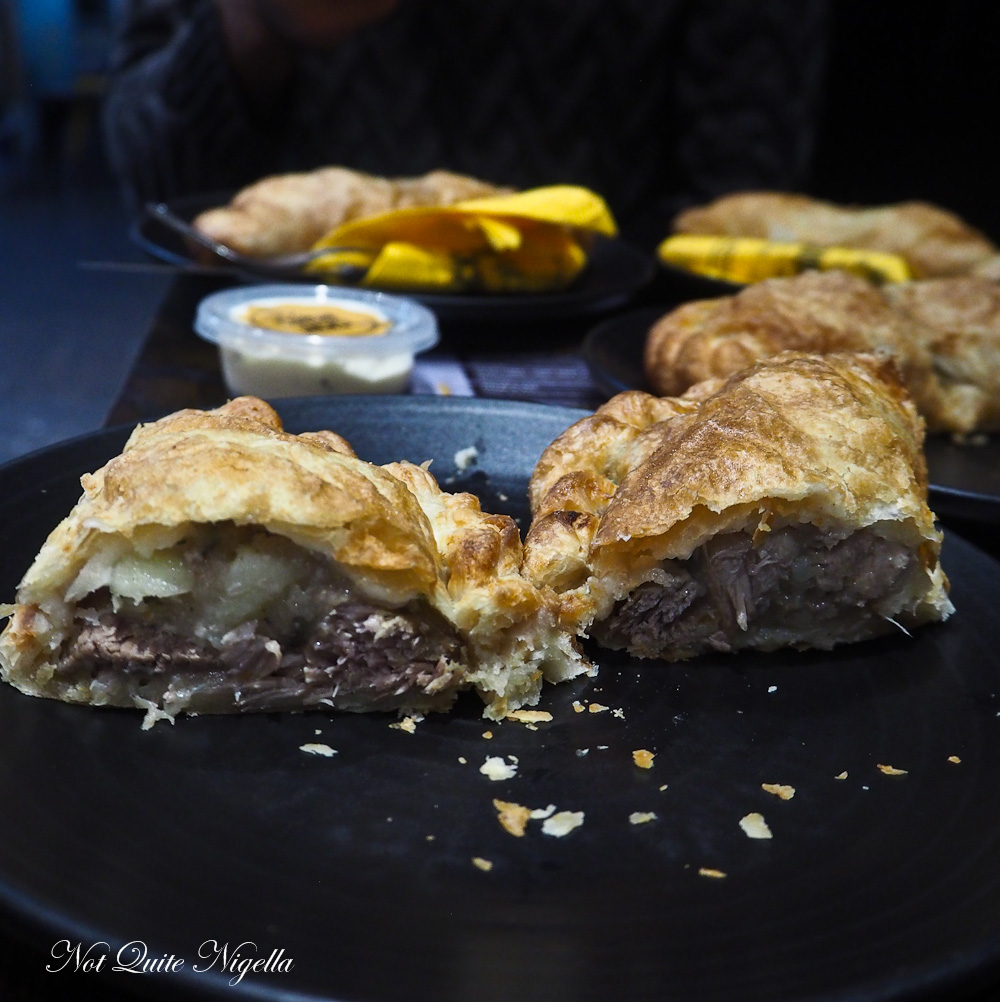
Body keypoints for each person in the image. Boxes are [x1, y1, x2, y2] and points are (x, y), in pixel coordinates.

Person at [102, 0, 829, 249]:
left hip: (606, 369)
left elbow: (742, 208)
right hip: (259, 346)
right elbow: (153, 186)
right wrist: (254, 24)